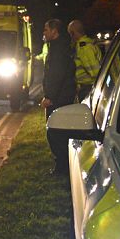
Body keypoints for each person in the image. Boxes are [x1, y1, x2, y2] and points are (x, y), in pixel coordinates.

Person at [40, 19, 76, 175]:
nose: (44, 32)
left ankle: (62, 167)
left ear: (54, 31)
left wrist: (49, 97)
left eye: (46, 29)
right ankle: (62, 165)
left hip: (59, 97)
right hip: (62, 95)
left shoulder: (58, 49)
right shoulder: (57, 46)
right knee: (58, 131)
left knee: (55, 132)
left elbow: (56, 75)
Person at [68, 20, 102, 103]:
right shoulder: (88, 44)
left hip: (88, 88)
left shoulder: (84, 48)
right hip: (89, 87)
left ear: (73, 33)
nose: (70, 37)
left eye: (70, 34)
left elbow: (95, 72)